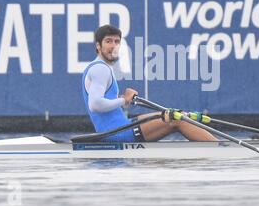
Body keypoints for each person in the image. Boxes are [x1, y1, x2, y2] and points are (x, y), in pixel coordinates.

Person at [82, 24, 218, 142]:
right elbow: (95, 105)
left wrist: (120, 100)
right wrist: (124, 100)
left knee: (175, 113)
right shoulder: (100, 69)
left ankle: (217, 146)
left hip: (121, 126)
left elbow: (101, 103)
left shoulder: (98, 67)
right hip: (117, 133)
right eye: (108, 41)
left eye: (117, 42)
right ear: (98, 46)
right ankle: (220, 150)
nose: (113, 46)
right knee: (177, 119)